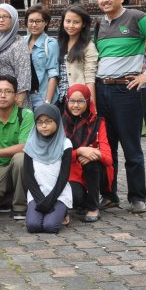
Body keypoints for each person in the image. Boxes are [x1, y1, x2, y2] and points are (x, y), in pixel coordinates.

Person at [95, 0, 146, 214]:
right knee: (107, 147)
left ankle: (137, 197)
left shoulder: (136, 17)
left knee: (131, 148)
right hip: (101, 90)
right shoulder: (98, 25)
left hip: (126, 91)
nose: (104, 0)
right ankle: (109, 196)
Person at [0, 75, 34, 219]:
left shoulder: (26, 115)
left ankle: (20, 207)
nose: (3, 95)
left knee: (20, 158)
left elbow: (24, 147)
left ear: (15, 96)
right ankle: (8, 197)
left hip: (19, 166)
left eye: (8, 92)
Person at [62, 84, 113, 223]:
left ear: (88, 101)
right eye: (72, 101)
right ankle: (83, 202)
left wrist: (93, 153)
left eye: (81, 101)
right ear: (67, 101)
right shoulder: (60, 123)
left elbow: (108, 159)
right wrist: (79, 152)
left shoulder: (98, 122)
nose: (76, 105)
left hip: (95, 174)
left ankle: (93, 207)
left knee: (91, 162)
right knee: (74, 197)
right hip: (72, 174)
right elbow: (57, 155)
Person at [22, 104, 73, 234]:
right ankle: (48, 211)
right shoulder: (30, 144)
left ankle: (63, 211)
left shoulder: (65, 144)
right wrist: (40, 200)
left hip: (58, 194)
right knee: (33, 226)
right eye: (39, 122)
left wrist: (50, 200)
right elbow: (28, 175)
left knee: (51, 227)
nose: (44, 126)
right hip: (37, 194)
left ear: (57, 121)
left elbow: (64, 177)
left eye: (48, 121)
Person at [0, 3, 31, 112]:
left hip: (13, 100)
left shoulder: (19, 44)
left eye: (5, 16)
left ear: (13, 20)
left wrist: (18, 102)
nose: (1, 20)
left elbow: (24, 75)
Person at [57, 4, 98, 108]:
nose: (71, 25)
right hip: (60, 99)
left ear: (83, 24)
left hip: (77, 101)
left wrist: (92, 106)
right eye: (68, 21)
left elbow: (90, 78)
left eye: (76, 22)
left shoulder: (88, 46)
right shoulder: (58, 44)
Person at [24, 4, 60, 109]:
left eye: (38, 21)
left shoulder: (50, 43)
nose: (34, 25)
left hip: (41, 95)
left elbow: (53, 75)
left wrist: (47, 102)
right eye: (31, 21)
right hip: (25, 96)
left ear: (46, 23)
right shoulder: (22, 41)